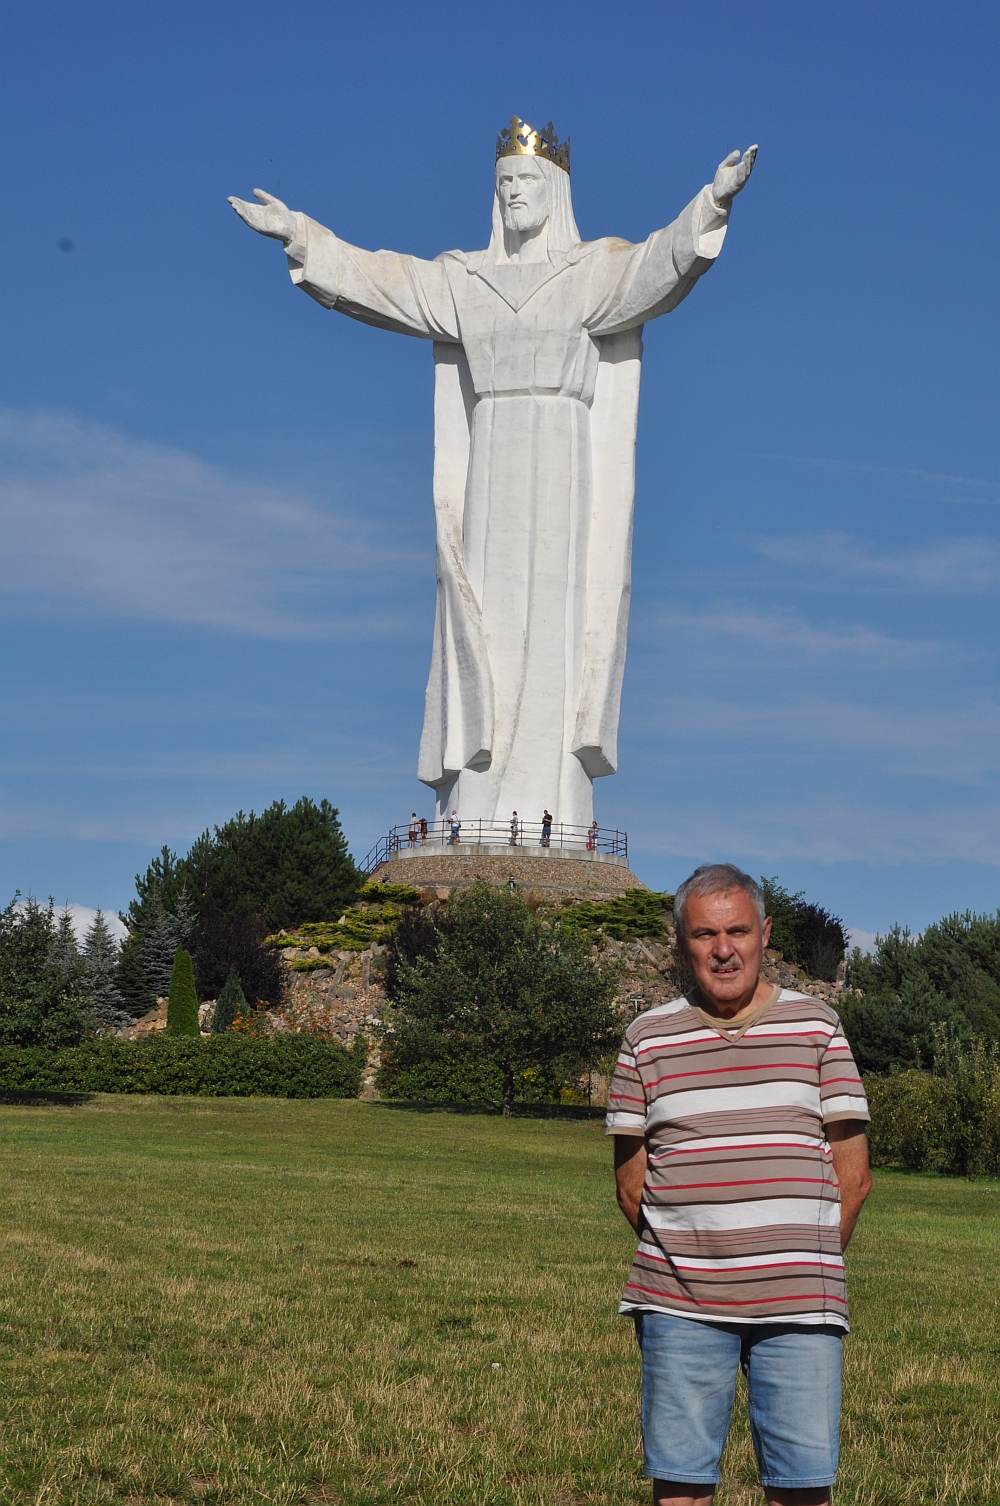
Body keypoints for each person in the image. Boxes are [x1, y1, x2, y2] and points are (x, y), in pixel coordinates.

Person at [229, 122, 755, 833]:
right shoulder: (464, 280)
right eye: (503, 182)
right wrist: (302, 236)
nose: (513, 193)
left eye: (526, 182)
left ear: (556, 192)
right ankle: (474, 796)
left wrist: (711, 203)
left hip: (563, 461)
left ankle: (553, 796)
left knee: (555, 630)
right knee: (484, 620)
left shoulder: (591, 271)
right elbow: (382, 281)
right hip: (491, 464)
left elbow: (659, 267)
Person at [607, 863, 871, 1506]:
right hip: (680, 1305)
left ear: (764, 934)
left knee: (802, 1489)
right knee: (681, 1484)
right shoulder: (646, 1038)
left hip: (800, 1306)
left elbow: (854, 1176)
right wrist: (694, 1255)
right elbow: (630, 1183)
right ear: (681, 943)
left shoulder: (817, 1027)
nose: (723, 950)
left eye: (737, 931)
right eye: (703, 935)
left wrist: (796, 1259)